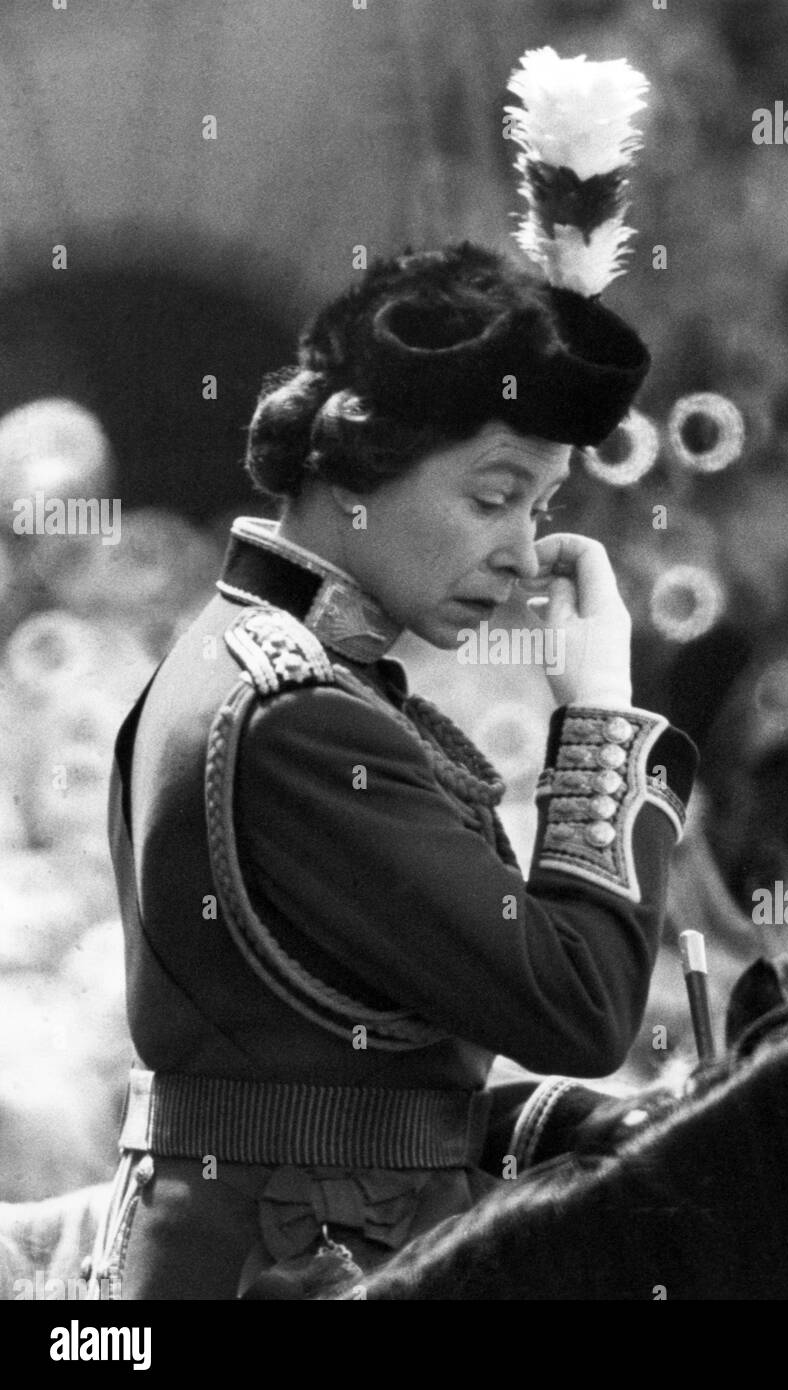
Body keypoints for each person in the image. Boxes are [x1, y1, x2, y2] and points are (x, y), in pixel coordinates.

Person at [89, 242, 698, 1299]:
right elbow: (581, 1005)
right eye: (493, 495)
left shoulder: (265, 665)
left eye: (540, 510)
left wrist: (574, 1125)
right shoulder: (295, 717)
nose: (520, 554)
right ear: (359, 462)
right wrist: (600, 711)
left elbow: (363, 1089)